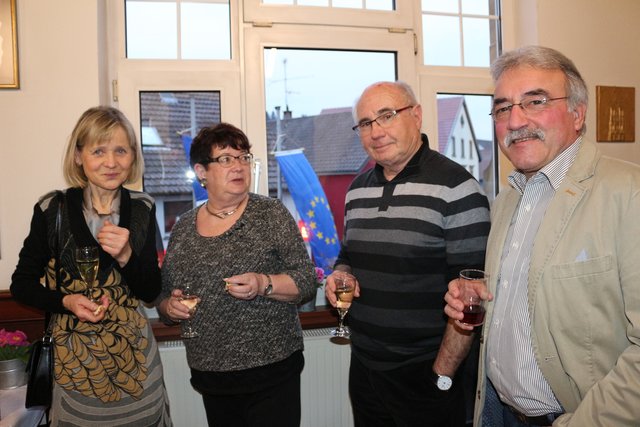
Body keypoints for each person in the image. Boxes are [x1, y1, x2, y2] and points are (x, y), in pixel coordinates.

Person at [444, 45, 640, 426]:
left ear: (578, 114)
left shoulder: (628, 194)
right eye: (503, 108)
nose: (515, 120)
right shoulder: (505, 201)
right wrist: (482, 297)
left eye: (535, 101)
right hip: (498, 411)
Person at [324, 81, 491, 426]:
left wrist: (441, 374)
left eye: (387, 115)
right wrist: (341, 273)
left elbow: (472, 296)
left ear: (416, 116)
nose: (376, 131)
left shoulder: (457, 188)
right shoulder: (356, 191)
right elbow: (348, 255)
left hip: (426, 372)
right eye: (365, 123)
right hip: (365, 367)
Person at [11, 106, 172, 426]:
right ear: (78, 156)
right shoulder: (52, 209)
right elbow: (21, 285)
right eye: (99, 151)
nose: (111, 162)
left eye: (121, 150)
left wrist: (126, 255)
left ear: (133, 156)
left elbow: (151, 292)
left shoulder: (142, 207)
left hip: (139, 370)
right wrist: (66, 301)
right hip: (74, 373)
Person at [157, 122, 317, 427]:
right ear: (201, 171)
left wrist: (262, 283)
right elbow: (165, 297)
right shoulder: (184, 227)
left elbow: (307, 281)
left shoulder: (270, 213)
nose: (239, 166)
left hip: (271, 372)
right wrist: (170, 307)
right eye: (226, 159)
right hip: (211, 377)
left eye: (244, 157)